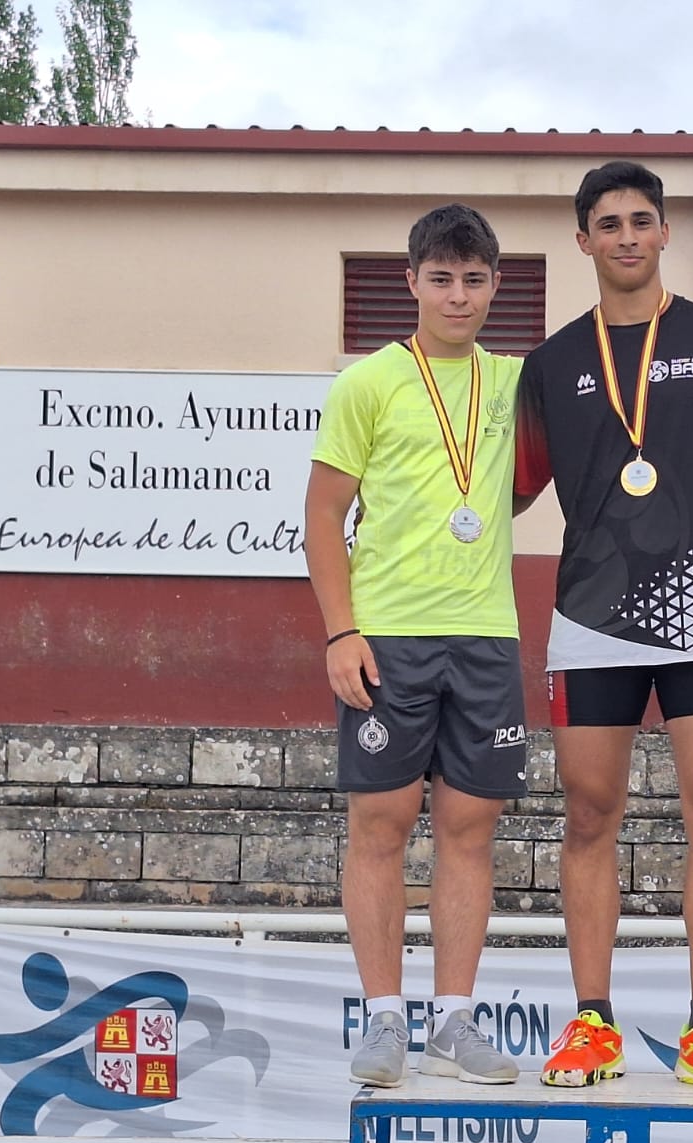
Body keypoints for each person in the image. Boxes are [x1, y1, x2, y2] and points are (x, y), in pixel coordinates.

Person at [514, 161, 693, 1094]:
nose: (627, 236)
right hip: (590, 617)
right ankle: (592, 1022)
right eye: (609, 223)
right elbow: (505, 489)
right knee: (588, 813)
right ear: (583, 240)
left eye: (642, 220)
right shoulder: (551, 364)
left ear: (666, 232)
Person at [305, 204, 525, 1088]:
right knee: (381, 825)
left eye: (473, 279)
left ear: (495, 285)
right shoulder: (368, 383)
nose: (457, 296)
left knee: (469, 832)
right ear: (412, 283)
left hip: (487, 634)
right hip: (388, 635)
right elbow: (323, 515)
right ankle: (385, 1020)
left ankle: (454, 1022)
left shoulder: (516, 383)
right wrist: (341, 630)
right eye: (441, 279)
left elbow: (619, 365)